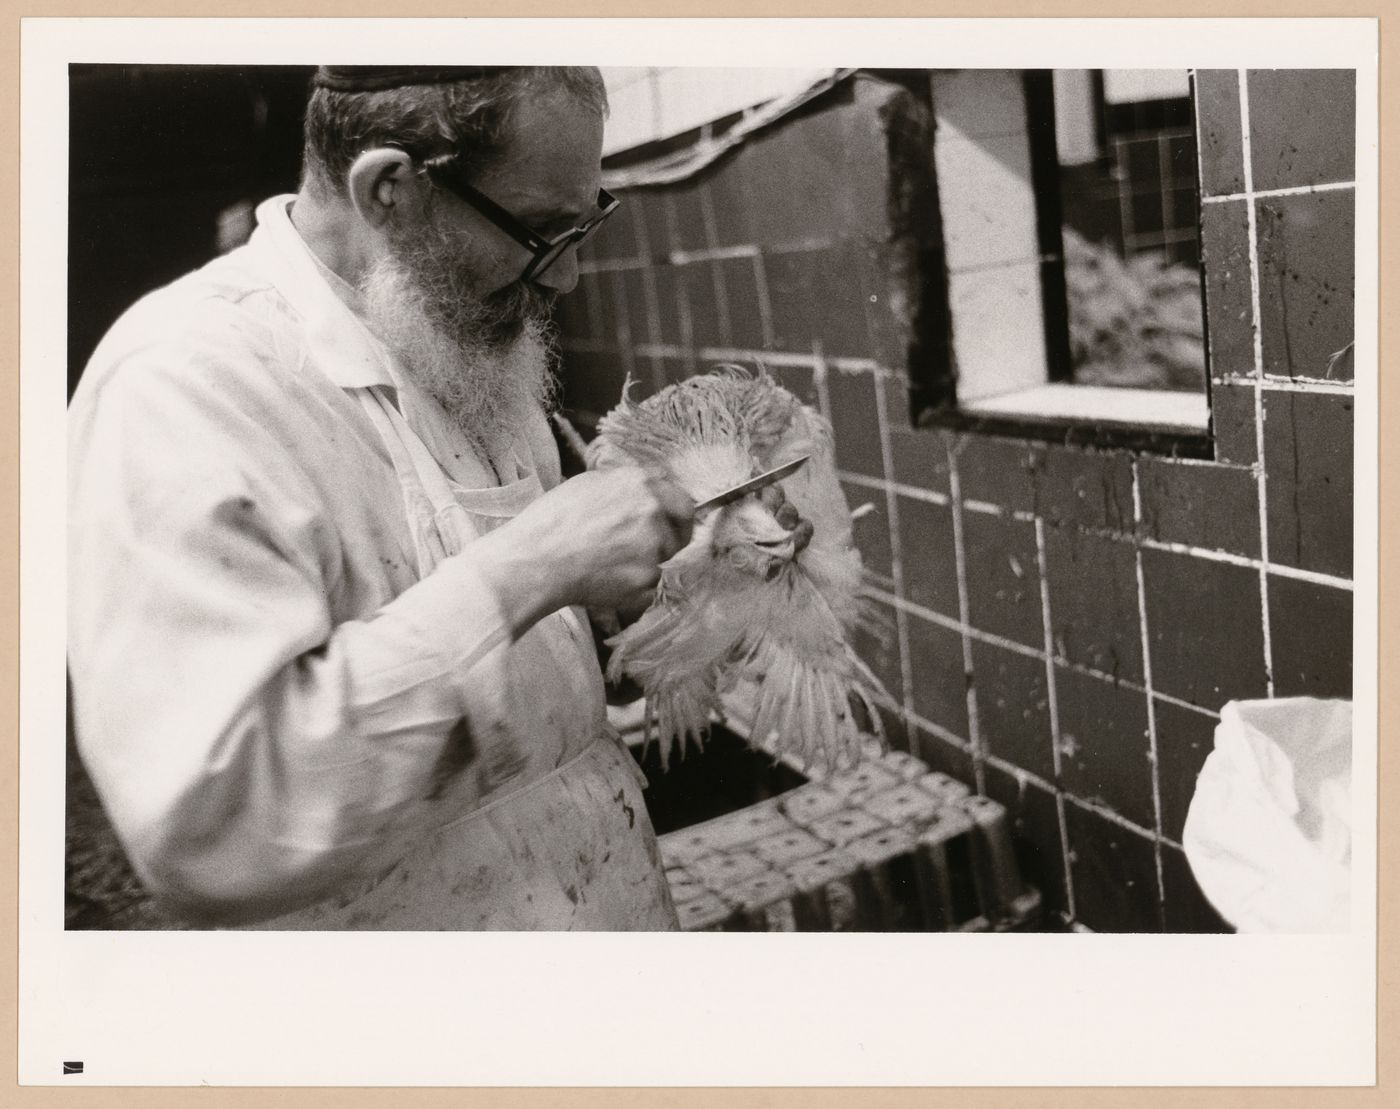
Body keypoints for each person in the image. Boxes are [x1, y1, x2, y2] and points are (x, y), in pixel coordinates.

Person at [66, 65, 697, 930]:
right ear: (390, 189)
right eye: (544, 231)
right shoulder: (183, 383)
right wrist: (535, 565)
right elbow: (217, 826)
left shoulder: (455, 328)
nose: (570, 277)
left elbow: (519, 644)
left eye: (587, 223)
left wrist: (658, 595)